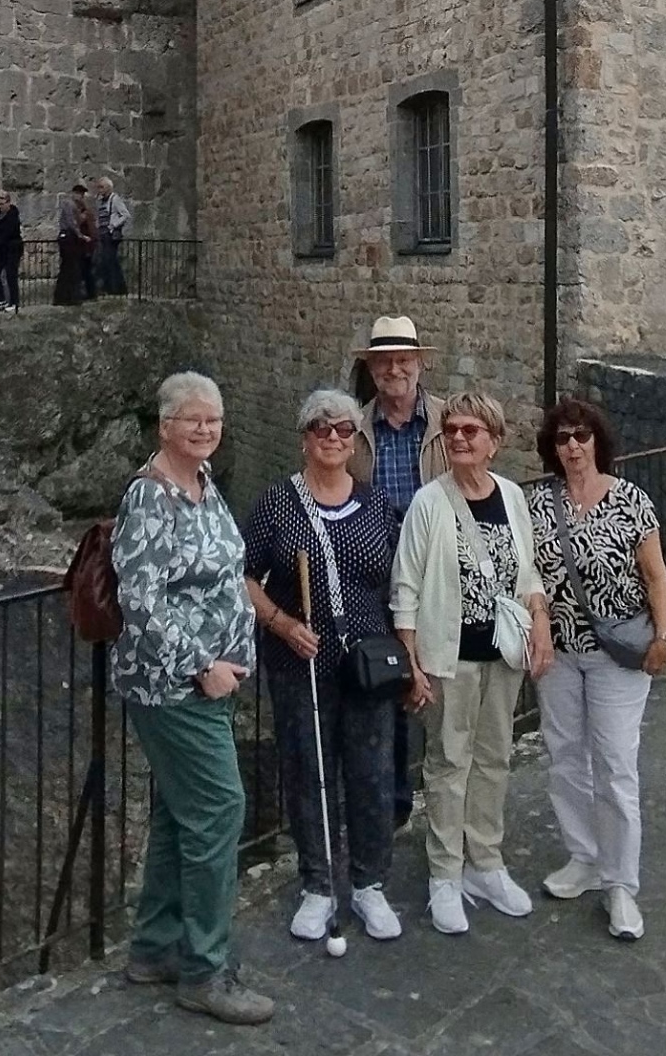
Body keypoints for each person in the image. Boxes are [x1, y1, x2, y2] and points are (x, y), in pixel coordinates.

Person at [110, 373, 272, 1027]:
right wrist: (201, 662)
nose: (204, 429)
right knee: (220, 806)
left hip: (210, 681)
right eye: (191, 419)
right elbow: (140, 600)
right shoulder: (151, 499)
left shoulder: (203, 487)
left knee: (182, 816)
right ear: (164, 425)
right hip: (171, 684)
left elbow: (224, 571)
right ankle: (206, 968)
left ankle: (154, 947)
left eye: (213, 420)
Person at [242, 388, 404, 945]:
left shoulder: (378, 504)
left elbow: (400, 581)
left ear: (356, 439)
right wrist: (281, 622)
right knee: (309, 770)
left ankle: (369, 882)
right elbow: (244, 575)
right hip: (301, 660)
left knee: (372, 770)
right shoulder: (276, 503)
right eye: (320, 429)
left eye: (343, 430)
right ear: (304, 437)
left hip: (367, 661)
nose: (332, 438)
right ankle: (317, 883)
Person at [390, 388, 552, 936]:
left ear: (494, 443)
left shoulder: (510, 496)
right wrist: (412, 661)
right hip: (450, 655)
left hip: (502, 653)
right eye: (452, 431)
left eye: (470, 432)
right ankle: (445, 873)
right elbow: (405, 586)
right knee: (447, 763)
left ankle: (486, 861)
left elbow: (526, 572)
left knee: (493, 760)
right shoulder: (429, 503)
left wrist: (540, 627)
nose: (458, 439)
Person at [529, 396, 666, 942]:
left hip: (618, 654)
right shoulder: (537, 506)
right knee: (566, 757)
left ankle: (620, 883)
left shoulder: (631, 501)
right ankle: (583, 856)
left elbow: (656, 577)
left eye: (582, 437)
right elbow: (530, 577)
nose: (573, 447)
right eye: (564, 438)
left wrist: (665, 634)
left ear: (598, 442)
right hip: (560, 654)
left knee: (615, 764)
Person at [346, 314, 446, 822]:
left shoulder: (449, 424)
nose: (394, 369)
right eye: (384, 361)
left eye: (403, 359)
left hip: (438, 573)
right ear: (372, 368)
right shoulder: (357, 429)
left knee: (445, 680)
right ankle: (397, 803)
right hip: (379, 577)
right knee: (392, 682)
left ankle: (450, 800)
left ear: (420, 363)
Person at [93, 175, 133, 296]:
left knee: (111, 261)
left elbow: (126, 215)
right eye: (99, 187)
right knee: (107, 261)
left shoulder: (115, 199)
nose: (100, 190)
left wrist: (113, 225)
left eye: (102, 187)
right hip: (104, 234)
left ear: (108, 188)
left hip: (111, 235)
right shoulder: (102, 201)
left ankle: (117, 288)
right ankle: (112, 287)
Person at [54, 190, 95, 306]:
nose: (82, 198)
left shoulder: (72, 206)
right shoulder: (70, 205)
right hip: (69, 240)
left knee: (68, 269)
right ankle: (70, 297)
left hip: (68, 239)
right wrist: (81, 236)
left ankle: (64, 297)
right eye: (81, 195)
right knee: (71, 268)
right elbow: (72, 224)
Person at [0, 189, 24, 313]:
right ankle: (1, 300)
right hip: (0, 249)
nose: (0, 204)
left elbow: (9, 232)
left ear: (8, 202)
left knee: (11, 275)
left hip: (12, 248)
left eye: (2, 201)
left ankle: (14, 303)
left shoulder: (13, 215)